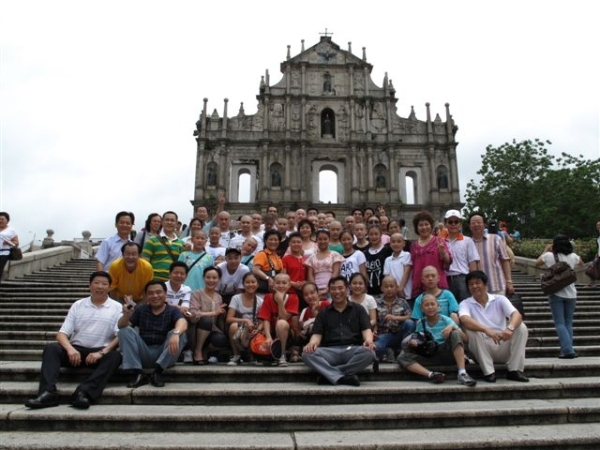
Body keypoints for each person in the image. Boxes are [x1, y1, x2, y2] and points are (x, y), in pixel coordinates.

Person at [25, 271, 122, 409]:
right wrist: (70, 349)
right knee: (52, 348)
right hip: (76, 352)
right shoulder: (78, 304)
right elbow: (61, 334)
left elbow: (119, 336)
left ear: (109, 287)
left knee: (115, 357)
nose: (100, 286)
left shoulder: (117, 307)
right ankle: (48, 393)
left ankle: (84, 392)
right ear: (90, 285)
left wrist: (101, 353)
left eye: (104, 284)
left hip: (99, 353)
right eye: (96, 283)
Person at [302, 276, 376, 386]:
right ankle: (344, 377)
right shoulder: (323, 313)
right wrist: (312, 343)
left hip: (352, 349)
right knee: (307, 354)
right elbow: (317, 335)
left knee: (369, 353)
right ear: (329, 291)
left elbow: (366, 329)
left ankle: (330, 375)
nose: (337, 292)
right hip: (329, 352)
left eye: (340, 288)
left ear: (347, 289)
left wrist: (369, 340)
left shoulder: (358, 309)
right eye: (333, 289)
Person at [459, 270, 529, 383]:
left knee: (521, 327)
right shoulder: (465, 303)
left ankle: (515, 370)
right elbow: (464, 320)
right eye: (471, 284)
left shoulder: (499, 299)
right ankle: (489, 372)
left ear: (485, 285)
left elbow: (517, 315)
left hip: (503, 343)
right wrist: (486, 330)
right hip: (482, 349)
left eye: (477, 283)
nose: (474, 286)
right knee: (470, 331)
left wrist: (509, 328)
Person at [118, 280, 188, 388]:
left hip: (165, 354)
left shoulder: (172, 310)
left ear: (165, 294)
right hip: (144, 352)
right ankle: (138, 373)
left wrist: (176, 333)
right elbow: (121, 325)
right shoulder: (140, 309)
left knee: (180, 333)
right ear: (146, 296)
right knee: (124, 330)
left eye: (158, 292)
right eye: (150, 293)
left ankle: (158, 372)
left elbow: (183, 322)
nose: (155, 296)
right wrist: (126, 315)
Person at [398, 294, 477, 386]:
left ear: (438, 306)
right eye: (426, 305)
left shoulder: (446, 320)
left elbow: (465, 339)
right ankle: (431, 374)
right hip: (429, 354)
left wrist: (453, 327)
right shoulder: (420, 323)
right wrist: (415, 343)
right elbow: (418, 339)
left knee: (455, 333)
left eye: (432, 304)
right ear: (422, 308)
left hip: (446, 353)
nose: (430, 307)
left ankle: (462, 373)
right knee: (402, 356)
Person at [535, 235, 584, 358]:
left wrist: (545, 250)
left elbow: (537, 263)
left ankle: (568, 350)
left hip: (555, 292)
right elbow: (582, 264)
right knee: (568, 323)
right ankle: (567, 349)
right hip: (571, 294)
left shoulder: (549, 256)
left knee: (560, 323)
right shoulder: (573, 256)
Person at [187, 267, 228, 364]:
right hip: (196, 328)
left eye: (214, 278)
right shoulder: (196, 294)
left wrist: (222, 313)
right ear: (203, 278)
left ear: (219, 279)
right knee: (206, 321)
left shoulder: (219, 297)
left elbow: (218, 318)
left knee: (221, 340)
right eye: (208, 277)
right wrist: (213, 313)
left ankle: (205, 351)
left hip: (212, 329)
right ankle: (197, 351)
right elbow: (193, 313)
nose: (211, 280)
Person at [257, 273, 299, 366]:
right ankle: (269, 355)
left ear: (289, 285)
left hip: (286, 333)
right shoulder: (268, 297)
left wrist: (280, 301)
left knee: (281, 323)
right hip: (272, 332)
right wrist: (268, 337)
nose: (281, 285)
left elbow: (284, 318)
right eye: (278, 283)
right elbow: (266, 319)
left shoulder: (293, 298)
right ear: (273, 284)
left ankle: (282, 355)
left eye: (284, 283)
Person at [468, 212, 514, 296]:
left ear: (484, 224)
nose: (476, 225)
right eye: (473, 223)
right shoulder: (468, 243)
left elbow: (505, 260)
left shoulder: (495, 239)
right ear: (469, 226)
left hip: (497, 286)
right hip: (477, 289)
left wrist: (509, 281)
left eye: (479, 222)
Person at [410, 211, 452, 299]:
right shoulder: (413, 246)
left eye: (426, 224)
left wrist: (442, 252)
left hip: (437, 285)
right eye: (420, 225)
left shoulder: (439, 241)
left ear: (431, 226)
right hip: (419, 285)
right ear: (416, 227)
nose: (424, 227)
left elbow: (448, 261)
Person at [226, 272, 264, 365]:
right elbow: (229, 319)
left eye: (253, 282)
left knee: (264, 329)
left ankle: (255, 355)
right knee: (233, 326)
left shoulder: (261, 301)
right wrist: (246, 321)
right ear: (243, 284)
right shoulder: (236, 298)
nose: (250, 284)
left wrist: (258, 329)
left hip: (254, 330)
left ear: (257, 284)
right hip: (240, 330)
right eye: (247, 282)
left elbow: (262, 321)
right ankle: (236, 355)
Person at [375, 276, 415, 361]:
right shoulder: (376, 302)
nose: (389, 289)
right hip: (383, 335)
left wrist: (395, 318)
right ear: (381, 288)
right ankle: (389, 352)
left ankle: (404, 350)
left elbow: (410, 316)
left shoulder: (402, 302)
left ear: (396, 287)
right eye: (386, 286)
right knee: (377, 347)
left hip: (399, 334)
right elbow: (373, 319)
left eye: (391, 286)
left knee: (409, 323)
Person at [443, 210, 479, 301]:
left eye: (456, 222)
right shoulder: (441, 242)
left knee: (465, 306)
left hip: (462, 278)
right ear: (445, 224)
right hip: (445, 279)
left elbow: (472, 262)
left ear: (460, 224)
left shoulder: (467, 241)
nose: (453, 224)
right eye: (450, 222)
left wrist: (473, 281)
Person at [142, 211, 184, 281]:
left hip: (173, 282)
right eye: (167, 220)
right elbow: (144, 264)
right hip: (155, 282)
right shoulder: (151, 241)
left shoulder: (181, 243)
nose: (169, 222)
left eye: (172, 220)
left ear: (176, 224)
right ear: (162, 222)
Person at [305, 229, 344, 298]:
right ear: (316, 240)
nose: (322, 241)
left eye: (325, 239)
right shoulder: (311, 258)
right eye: (320, 239)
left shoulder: (335, 255)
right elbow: (310, 275)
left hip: (333, 289)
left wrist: (328, 288)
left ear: (329, 240)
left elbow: (336, 273)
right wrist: (315, 289)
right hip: (316, 290)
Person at [364, 226, 393, 297]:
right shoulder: (365, 253)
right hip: (370, 291)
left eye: (376, 234)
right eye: (371, 234)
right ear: (368, 236)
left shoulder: (387, 250)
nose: (374, 237)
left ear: (380, 235)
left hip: (384, 291)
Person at [252, 229, 284, 294]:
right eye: (270, 239)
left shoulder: (278, 257)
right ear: (265, 241)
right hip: (261, 292)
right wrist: (268, 278)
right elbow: (255, 270)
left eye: (276, 240)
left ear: (279, 242)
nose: (273, 242)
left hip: (274, 292)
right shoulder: (262, 254)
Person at [383, 233, 412, 299]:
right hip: (392, 293)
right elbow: (387, 276)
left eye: (399, 241)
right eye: (393, 242)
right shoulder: (387, 260)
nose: (396, 244)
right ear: (390, 244)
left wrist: (400, 288)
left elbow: (406, 272)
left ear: (403, 244)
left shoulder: (407, 255)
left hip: (405, 292)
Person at [0, 212, 19, 283]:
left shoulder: (11, 230)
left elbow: (16, 243)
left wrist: (9, 242)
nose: (0, 221)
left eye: (2, 219)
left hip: (4, 253)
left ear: (7, 220)